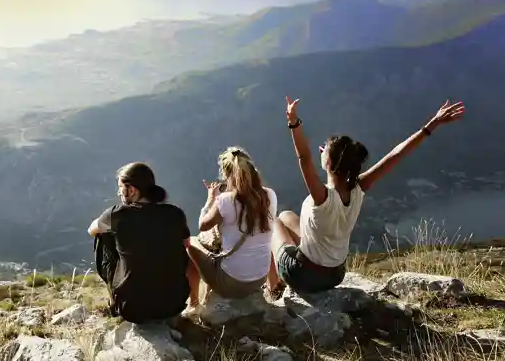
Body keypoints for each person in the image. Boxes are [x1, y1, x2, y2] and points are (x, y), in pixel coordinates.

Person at [269, 97, 465, 294]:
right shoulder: (358, 188)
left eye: (324, 149)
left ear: (328, 163)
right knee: (286, 216)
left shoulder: (322, 196)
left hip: (305, 275)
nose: (320, 150)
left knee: (272, 222)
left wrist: (293, 121)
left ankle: (272, 287)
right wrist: (432, 125)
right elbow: (395, 155)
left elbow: (304, 157)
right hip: (335, 275)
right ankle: (292, 270)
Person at [88, 162, 191, 323]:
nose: (119, 193)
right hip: (173, 305)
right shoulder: (175, 213)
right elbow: (186, 245)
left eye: (121, 188)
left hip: (132, 309)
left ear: (132, 190)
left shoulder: (118, 214)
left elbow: (92, 229)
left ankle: (116, 297)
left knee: (103, 236)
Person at [185, 146, 278, 310]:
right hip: (259, 279)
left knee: (191, 242)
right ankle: (273, 287)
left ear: (228, 175)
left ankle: (193, 305)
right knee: (261, 237)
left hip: (232, 284)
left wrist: (210, 199)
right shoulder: (269, 195)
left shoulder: (225, 201)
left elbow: (203, 225)